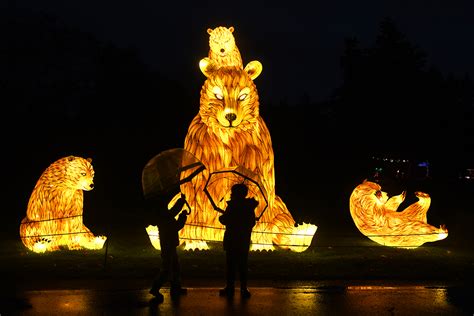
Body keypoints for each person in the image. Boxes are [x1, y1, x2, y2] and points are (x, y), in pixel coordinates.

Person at [217, 183, 258, 299]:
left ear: (236, 193)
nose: (231, 193)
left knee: (231, 265)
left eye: (232, 191)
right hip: (243, 240)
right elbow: (252, 223)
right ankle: (243, 288)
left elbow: (226, 220)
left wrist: (222, 218)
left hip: (232, 239)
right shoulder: (249, 206)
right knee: (242, 265)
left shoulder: (233, 205)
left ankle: (230, 288)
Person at [149, 190, 189, 301]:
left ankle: (176, 287)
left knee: (175, 267)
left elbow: (173, 212)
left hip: (169, 245)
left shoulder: (163, 215)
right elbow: (176, 225)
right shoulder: (165, 216)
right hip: (168, 245)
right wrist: (182, 215)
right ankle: (155, 288)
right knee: (167, 269)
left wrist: (181, 202)